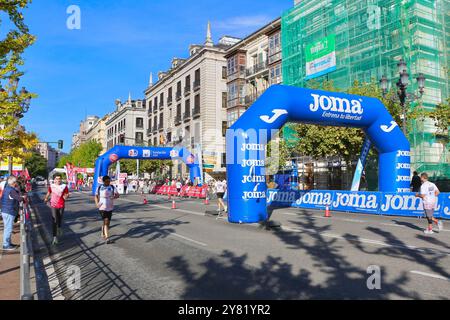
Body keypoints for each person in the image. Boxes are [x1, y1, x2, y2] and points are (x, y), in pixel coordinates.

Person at [1, 176, 26, 251]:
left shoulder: (6, 189)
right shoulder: (12, 190)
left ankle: (8, 243)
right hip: (9, 211)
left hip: (5, 210)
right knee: (8, 228)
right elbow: (19, 198)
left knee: (7, 228)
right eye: (16, 182)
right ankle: (6, 245)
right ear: (14, 183)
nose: (16, 184)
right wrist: (23, 197)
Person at [44, 174, 69, 245]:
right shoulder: (52, 186)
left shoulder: (64, 186)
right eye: (57, 179)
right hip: (53, 205)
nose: (58, 180)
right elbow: (49, 192)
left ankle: (59, 227)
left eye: (59, 179)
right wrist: (46, 198)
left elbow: (67, 194)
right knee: (54, 220)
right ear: (54, 180)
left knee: (59, 218)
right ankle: (54, 237)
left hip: (61, 205)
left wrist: (66, 196)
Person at [95, 176, 119, 244]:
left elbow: (117, 195)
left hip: (110, 207)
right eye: (106, 181)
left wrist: (113, 197)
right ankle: (107, 238)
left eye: (109, 181)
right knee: (106, 220)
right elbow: (96, 196)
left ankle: (103, 232)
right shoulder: (99, 187)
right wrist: (97, 203)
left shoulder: (112, 187)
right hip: (102, 207)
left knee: (107, 222)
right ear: (103, 181)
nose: (108, 182)